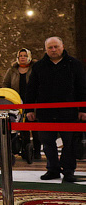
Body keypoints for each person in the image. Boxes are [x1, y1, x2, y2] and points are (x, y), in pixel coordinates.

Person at [26, 36, 86, 182]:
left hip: (68, 111)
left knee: (69, 143)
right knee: (47, 143)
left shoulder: (75, 64)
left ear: (62, 46)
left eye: (56, 47)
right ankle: (52, 169)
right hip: (45, 112)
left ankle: (69, 171)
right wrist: (28, 110)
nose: (53, 50)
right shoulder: (39, 66)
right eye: (50, 48)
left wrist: (83, 109)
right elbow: (31, 89)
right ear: (45, 49)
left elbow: (82, 88)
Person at [2, 48, 39, 159]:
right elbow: (5, 84)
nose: (22, 57)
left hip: (32, 101)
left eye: (24, 55)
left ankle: (36, 151)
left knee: (35, 126)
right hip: (17, 101)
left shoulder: (35, 68)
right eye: (20, 56)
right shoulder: (12, 70)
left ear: (29, 57)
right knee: (23, 127)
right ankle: (25, 151)